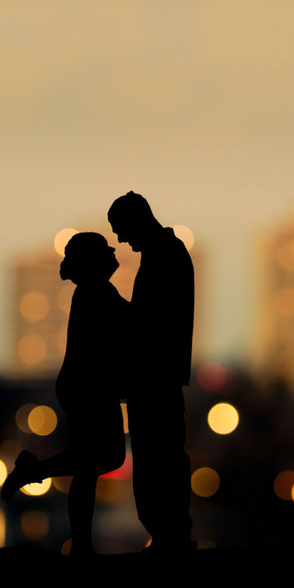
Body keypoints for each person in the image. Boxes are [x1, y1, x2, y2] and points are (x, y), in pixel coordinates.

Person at [1, 232, 128, 556]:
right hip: (88, 388)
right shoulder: (95, 292)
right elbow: (130, 322)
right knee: (94, 462)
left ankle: (35, 472)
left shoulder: (96, 291)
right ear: (93, 261)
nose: (113, 252)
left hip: (86, 386)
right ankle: (81, 543)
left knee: (99, 460)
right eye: (105, 250)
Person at [108, 191, 195, 553]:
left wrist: (110, 302)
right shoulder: (166, 253)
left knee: (158, 459)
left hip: (155, 379)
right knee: (160, 457)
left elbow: (151, 323)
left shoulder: (164, 256)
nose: (121, 241)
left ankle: (169, 534)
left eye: (121, 230)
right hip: (158, 377)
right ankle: (168, 532)